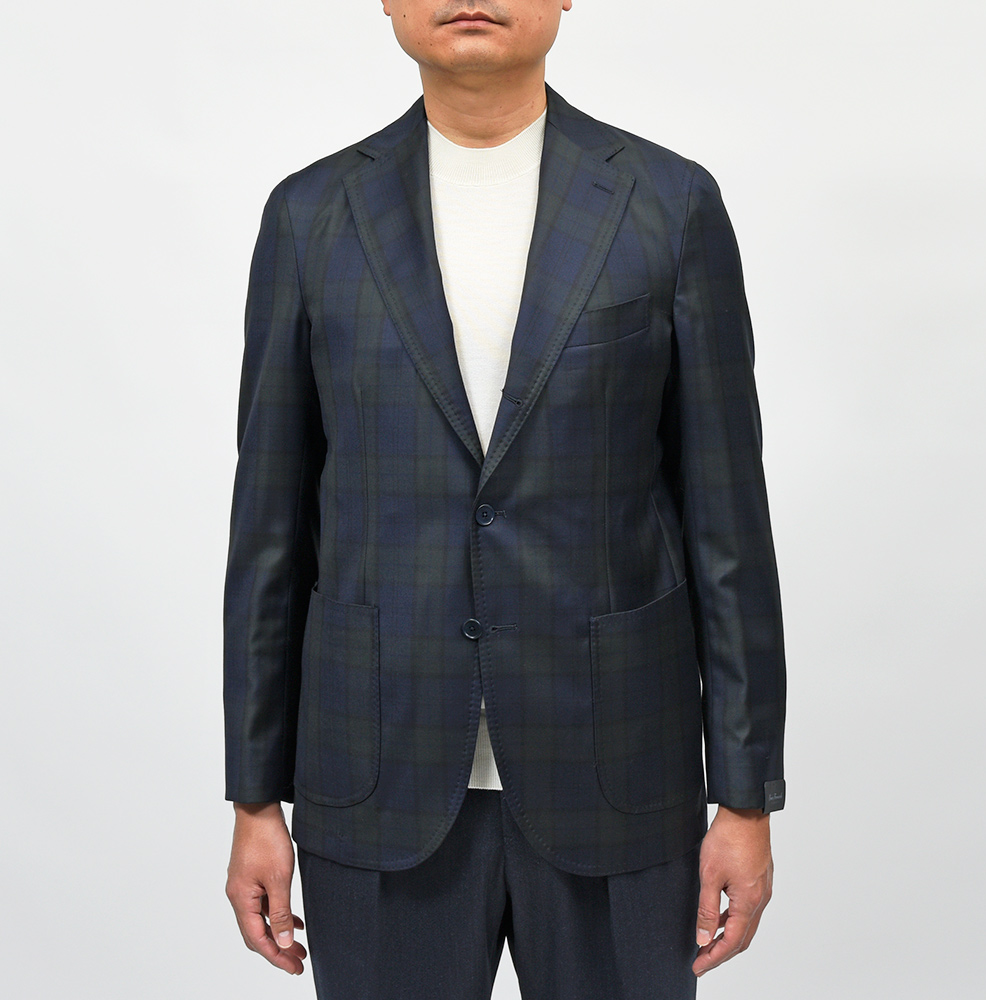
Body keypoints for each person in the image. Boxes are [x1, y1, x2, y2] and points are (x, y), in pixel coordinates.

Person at [223, 2, 787, 998]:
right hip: (375, 769)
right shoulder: (311, 216)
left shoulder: (667, 204)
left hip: (620, 766)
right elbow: (269, 530)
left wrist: (745, 799)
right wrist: (254, 797)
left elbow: (727, 525)